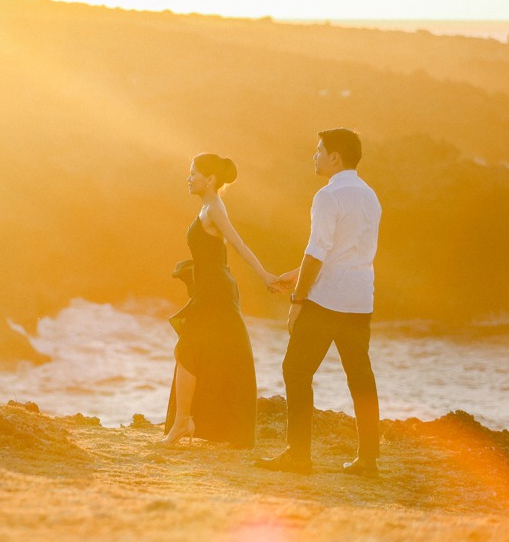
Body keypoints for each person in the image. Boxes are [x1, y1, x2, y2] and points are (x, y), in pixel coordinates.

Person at [257, 128, 382, 476]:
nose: (314, 157)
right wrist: (295, 275)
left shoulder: (328, 196)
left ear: (335, 158)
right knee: (361, 378)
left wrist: (297, 301)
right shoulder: (370, 196)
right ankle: (368, 461)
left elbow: (318, 250)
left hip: (326, 299)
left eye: (318, 151)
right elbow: (343, 250)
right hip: (360, 300)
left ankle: (298, 456)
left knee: (295, 370)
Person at [161, 154, 279, 448]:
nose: (188, 178)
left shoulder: (214, 208)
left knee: (187, 348)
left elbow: (238, 246)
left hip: (216, 291)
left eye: (193, 173)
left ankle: (183, 423)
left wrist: (265, 276)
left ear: (210, 179)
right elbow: (211, 253)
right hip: (211, 287)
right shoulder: (207, 207)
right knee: (207, 352)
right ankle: (190, 422)